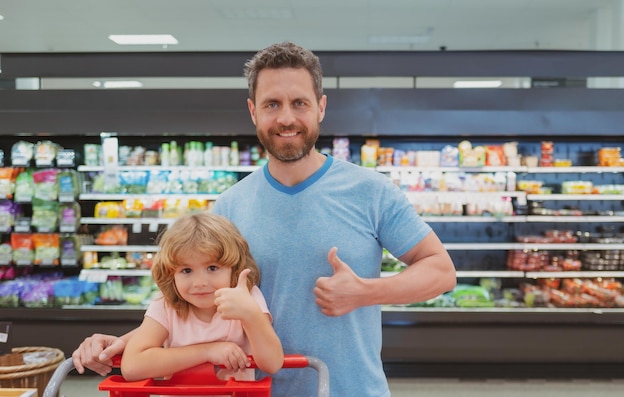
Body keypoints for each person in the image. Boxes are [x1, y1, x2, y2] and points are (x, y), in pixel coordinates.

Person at [72, 41, 457, 396]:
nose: (286, 118)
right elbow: (191, 299)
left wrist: (367, 292)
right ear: (253, 110)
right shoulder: (228, 206)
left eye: (299, 103)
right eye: (272, 104)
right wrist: (134, 341)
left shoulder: (371, 191)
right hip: (251, 391)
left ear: (320, 107)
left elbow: (441, 271)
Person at [119, 212, 283, 383]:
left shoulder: (245, 297)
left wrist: (251, 315)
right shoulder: (166, 305)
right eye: (186, 270)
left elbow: (272, 364)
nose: (199, 282)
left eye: (212, 268)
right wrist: (209, 351)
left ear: (234, 268)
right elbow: (132, 366)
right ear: (170, 274)